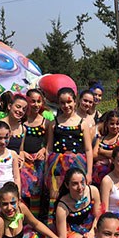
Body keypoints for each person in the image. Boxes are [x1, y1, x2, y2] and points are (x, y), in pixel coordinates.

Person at [45, 87, 94, 226]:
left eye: (69, 102)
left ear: (75, 102)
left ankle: (78, 223)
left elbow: (88, 149)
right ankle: (55, 226)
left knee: (77, 193)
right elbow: (49, 148)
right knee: (56, 196)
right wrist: (47, 171)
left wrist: (89, 173)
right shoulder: (54, 123)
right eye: (62, 103)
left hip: (77, 166)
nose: (66, 106)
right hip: (57, 168)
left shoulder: (82, 124)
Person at [55, 168, 102, 238]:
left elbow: (98, 216)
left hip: (92, 229)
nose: (80, 187)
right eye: (75, 184)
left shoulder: (93, 191)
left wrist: (92, 231)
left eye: (82, 182)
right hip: (71, 234)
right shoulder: (62, 206)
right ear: (67, 185)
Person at [20, 88, 51, 217]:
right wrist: (22, 152)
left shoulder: (46, 122)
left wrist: (43, 150)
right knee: (23, 191)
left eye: (39, 101)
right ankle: (22, 218)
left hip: (38, 162)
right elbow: (18, 143)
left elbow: (49, 143)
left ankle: (35, 219)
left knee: (36, 192)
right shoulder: (21, 121)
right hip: (25, 162)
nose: (36, 104)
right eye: (33, 101)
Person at [93, 110, 119, 185]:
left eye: (117, 124)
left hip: (115, 174)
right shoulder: (100, 139)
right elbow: (94, 155)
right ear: (107, 124)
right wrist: (110, 156)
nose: (115, 127)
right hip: (98, 175)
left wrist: (102, 152)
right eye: (112, 124)